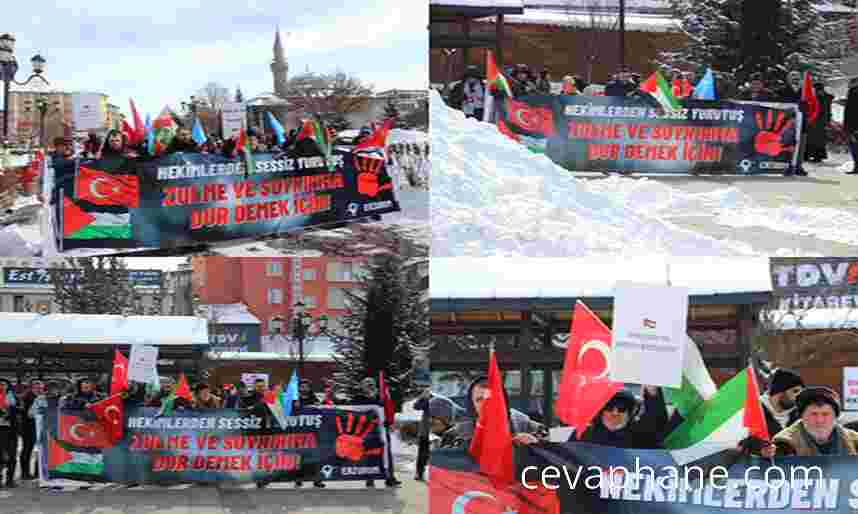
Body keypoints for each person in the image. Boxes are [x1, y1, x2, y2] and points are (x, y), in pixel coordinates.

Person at [447, 376, 547, 450]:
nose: (485, 404)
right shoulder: (459, 432)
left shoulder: (521, 421)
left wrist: (537, 441)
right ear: (472, 404)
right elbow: (439, 457)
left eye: (490, 399)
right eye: (479, 400)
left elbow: (560, 435)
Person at [762, 387, 858, 456]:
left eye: (825, 414)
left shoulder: (854, 441)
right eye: (813, 414)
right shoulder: (784, 443)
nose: (819, 420)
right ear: (802, 416)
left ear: (835, 417)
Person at [570, 387, 668, 448]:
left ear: (629, 413)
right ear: (601, 411)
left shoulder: (642, 436)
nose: (615, 412)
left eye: (622, 408)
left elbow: (658, 423)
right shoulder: (582, 434)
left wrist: (652, 392)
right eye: (609, 407)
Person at [351, 377, 402, 488]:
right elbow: (353, 411)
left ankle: (390, 478)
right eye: (367, 383)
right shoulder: (358, 398)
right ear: (362, 386)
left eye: (372, 383)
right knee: (370, 453)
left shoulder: (382, 397)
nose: (370, 385)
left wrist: (389, 422)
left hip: (382, 429)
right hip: (367, 430)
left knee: (386, 454)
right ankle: (370, 479)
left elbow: (388, 411)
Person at [294, 380, 325, 489]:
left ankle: (317, 480)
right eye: (302, 387)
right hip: (299, 433)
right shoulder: (295, 399)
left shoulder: (314, 399)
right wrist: (294, 406)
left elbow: (322, 412)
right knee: (299, 457)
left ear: (309, 388)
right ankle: (298, 479)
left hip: (313, 434)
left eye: (306, 387)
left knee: (315, 457)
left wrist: (319, 406)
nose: (304, 389)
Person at [778, 70, 809, 176]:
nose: (795, 79)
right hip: (787, 123)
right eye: (793, 77)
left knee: (800, 146)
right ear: (788, 79)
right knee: (787, 144)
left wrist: (806, 106)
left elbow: (813, 106)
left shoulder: (806, 92)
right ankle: (787, 166)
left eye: (797, 77)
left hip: (802, 123)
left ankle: (798, 166)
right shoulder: (782, 91)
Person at [761, 368, 803, 437]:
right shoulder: (754, 410)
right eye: (795, 391)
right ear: (779, 391)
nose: (799, 396)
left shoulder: (798, 418)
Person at [19, 380, 41, 480]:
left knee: (37, 450)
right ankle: (25, 473)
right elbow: (26, 412)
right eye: (37, 387)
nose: (39, 389)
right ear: (32, 387)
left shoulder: (39, 396)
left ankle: (36, 472)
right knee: (27, 450)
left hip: (36, 427)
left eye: (40, 387)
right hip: (28, 427)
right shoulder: (27, 396)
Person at [806, 83, 833, 163]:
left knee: (817, 140)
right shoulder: (824, 97)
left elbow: (825, 110)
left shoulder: (823, 98)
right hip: (817, 121)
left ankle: (817, 156)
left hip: (819, 121)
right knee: (813, 139)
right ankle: (812, 155)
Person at [413, 388, 433, 481]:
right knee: (423, 454)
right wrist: (422, 397)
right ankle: (419, 473)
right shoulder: (429, 397)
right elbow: (416, 406)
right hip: (426, 431)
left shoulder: (444, 399)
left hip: (440, 430)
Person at [0, 380, 17, 488]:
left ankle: (10, 479)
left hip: (12, 430)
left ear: (8, 386)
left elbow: (20, 410)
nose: (2, 386)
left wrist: (10, 412)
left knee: (12, 456)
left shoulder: (13, 397)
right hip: (0, 429)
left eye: (3, 384)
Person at [845, 77, 858, 175]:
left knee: (854, 147)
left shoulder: (854, 92)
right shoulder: (852, 92)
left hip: (853, 126)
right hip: (852, 125)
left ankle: (857, 167)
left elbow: (852, 111)